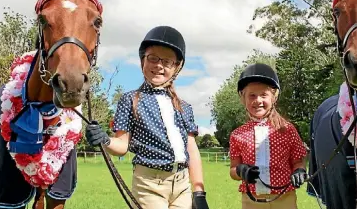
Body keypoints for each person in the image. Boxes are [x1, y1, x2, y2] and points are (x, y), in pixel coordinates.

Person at [85, 26, 209, 209]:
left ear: (176, 67)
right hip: (149, 184)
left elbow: (192, 150)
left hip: (182, 184)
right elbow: (121, 145)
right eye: (152, 58)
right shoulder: (130, 100)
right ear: (142, 60)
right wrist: (104, 139)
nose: (159, 65)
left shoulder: (184, 107)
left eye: (167, 61)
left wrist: (199, 192)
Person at [229, 63, 308, 209]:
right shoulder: (237, 135)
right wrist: (241, 171)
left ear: (274, 98)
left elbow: (298, 161)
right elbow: (233, 170)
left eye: (263, 95)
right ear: (243, 99)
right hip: (252, 200)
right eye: (252, 95)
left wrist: (299, 171)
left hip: (285, 197)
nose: (258, 100)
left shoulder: (287, 129)